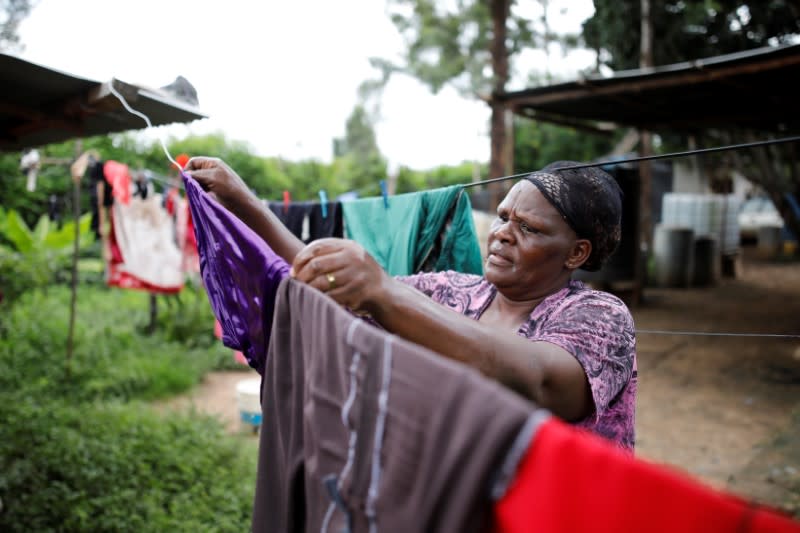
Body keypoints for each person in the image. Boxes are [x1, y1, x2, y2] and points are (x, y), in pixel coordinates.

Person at [185, 157, 637, 450]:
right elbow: (334, 284)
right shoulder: (456, 292)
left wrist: (384, 291)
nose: (501, 233)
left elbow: (537, 383)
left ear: (577, 253)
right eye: (502, 217)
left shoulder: (598, 317)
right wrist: (244, 203)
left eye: (529, 228)